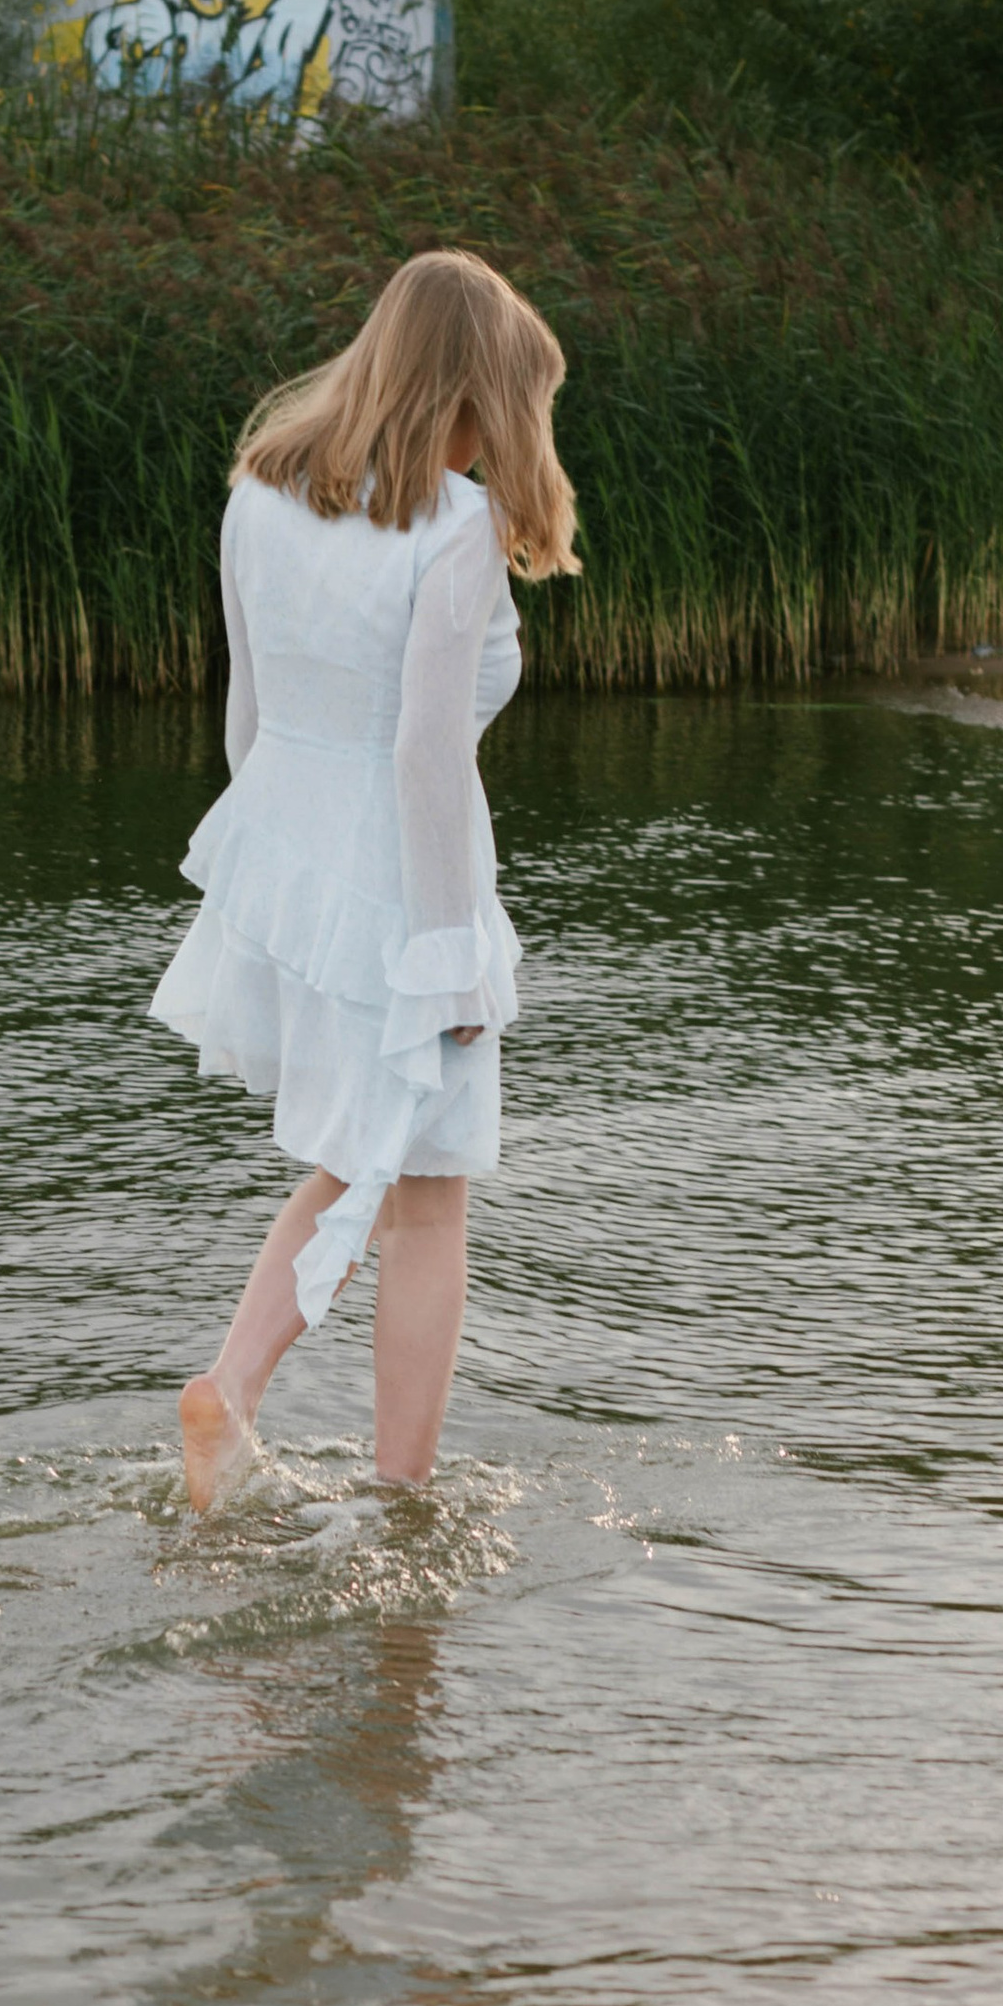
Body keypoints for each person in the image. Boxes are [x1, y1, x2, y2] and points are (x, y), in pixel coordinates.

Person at [151, 249, 578, 1509]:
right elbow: (427, 752)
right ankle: (396, 1495)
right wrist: (450, 951)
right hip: (400, 884)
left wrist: (260, 888)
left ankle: (232, 1395)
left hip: (292, 862)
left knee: (363, 1155)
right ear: (472, 389)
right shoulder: (452, 529)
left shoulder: (258, 495)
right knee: (428, 1195)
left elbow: (248, 709)